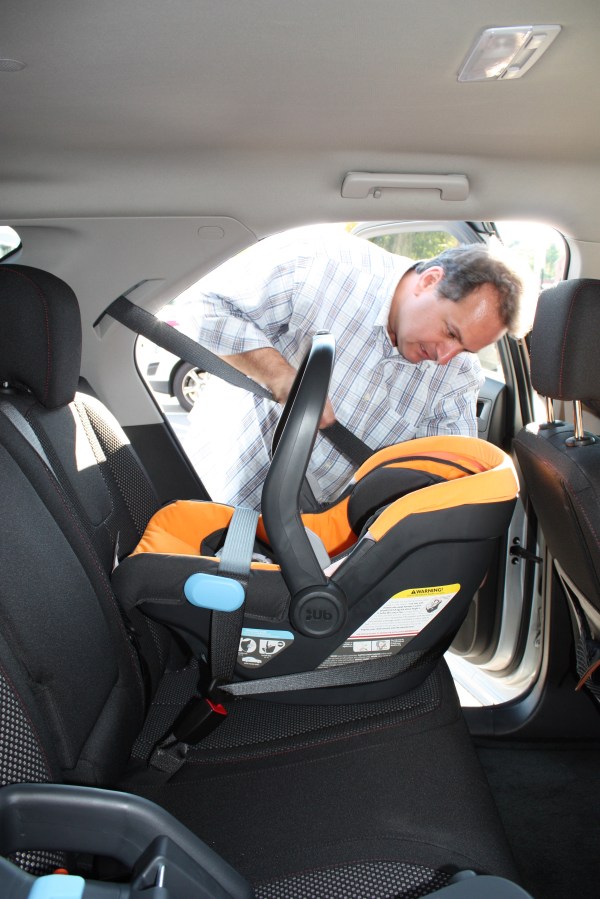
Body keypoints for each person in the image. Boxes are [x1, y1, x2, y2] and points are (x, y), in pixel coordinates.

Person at [185, 225, 525, 510]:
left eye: (465, 349)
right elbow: (204, 308)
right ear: (429, 281)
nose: (446, 357)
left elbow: (451, 478)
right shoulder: (320, 263)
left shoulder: (457, 376)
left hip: (307, 550)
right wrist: (282, 378)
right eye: (451, 333)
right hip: (207, 497)